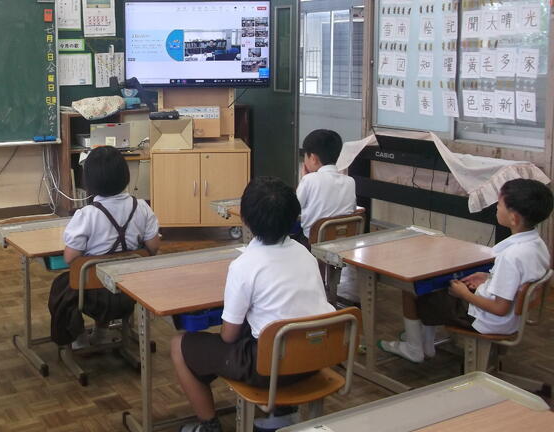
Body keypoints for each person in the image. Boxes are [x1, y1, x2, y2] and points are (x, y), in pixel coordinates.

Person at [170, 176, 335, 432]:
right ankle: (282, 415)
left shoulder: (244, 266)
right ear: (294, 217)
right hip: (314, 358)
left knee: (179, 345)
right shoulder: (306, 254)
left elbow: (228, 336)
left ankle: (209, 425)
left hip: (270, 368)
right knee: (268, 327)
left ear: (244, 219)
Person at [380, 178, 552, 363]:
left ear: (514, 218)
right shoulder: (538, 245)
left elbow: (500, 308)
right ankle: (426, 344)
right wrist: (487, 278)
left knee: (414, 289)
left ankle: (414, 348)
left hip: (487, 320)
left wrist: (464, 294)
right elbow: (516, 281)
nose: (496, 207)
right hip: (510, 318)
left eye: (500, 204)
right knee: (439, 286)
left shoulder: (511, 257)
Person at [48, 146, 160, 349]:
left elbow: (70, 258)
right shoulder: (142, 207)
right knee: (98, 275)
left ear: (89, 181)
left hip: (94, 297)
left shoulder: (86, 215)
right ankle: (101, 332)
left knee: (62, 285)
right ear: (125, 176)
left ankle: (78, 337)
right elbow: (153, 247)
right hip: (130, 292)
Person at [295, 129, 357, 248]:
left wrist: (304, 179)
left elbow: (294, 208)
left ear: (313, 158)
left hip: (312, 243)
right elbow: (352, 210)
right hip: (343, 243)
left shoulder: (309, 180)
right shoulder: (350, 181)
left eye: (305, 156)